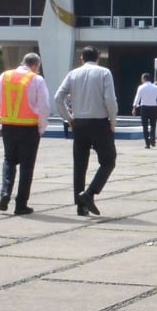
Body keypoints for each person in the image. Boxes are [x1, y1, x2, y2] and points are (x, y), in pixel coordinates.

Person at [55, 46, 118, 216]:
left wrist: (68, 118)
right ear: (98, 57)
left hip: (79, 123)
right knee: (108, 160)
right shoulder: (104, 73)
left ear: (81, 58)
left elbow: (58, 98)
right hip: (99, 123)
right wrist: (113, 120)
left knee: (80, 165)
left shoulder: (73, 74)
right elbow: (110, 99)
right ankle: (89, 193)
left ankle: (80, 206)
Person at [0, 52, 51, 215]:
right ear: (36, 65)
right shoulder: (37, 79)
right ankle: (21, 204)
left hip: (8, 126)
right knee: (26, 166)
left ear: (22, 62)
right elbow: (44, 107)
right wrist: (41, 128)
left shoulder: (5, 76)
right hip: (29, 128)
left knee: (9, 160)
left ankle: (5, 192)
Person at [132, 73, 157, 148]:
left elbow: (137, 98)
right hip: (153, 107)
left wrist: (134, 108)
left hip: (144, 107)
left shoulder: (141, 87)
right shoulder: (156, 87)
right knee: (153, 125)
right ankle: (152, 138)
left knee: (145, 126)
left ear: (143, 79)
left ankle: (147, 143)